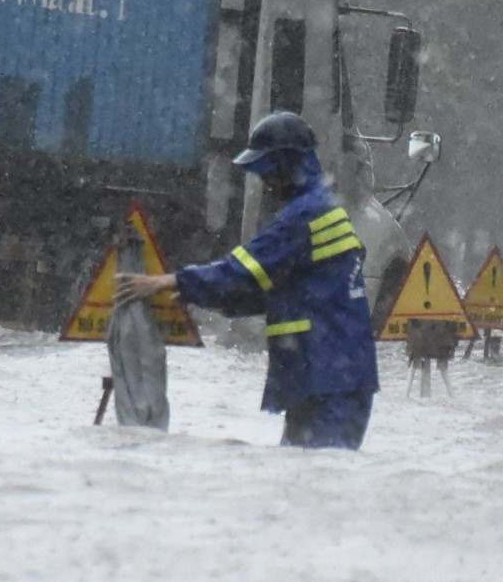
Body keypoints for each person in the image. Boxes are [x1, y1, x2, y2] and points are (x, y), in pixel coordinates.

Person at [113, 111, 380, 449]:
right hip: (330, 377)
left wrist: (168, 282)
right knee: (310, 483)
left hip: (328, 381)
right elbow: (269, 290)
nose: (265, 182)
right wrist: (199, 293)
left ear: (286, 165)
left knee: (313, 484)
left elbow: (240, 272)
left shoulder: (303, 216)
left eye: (267, 172)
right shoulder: (320, 208)